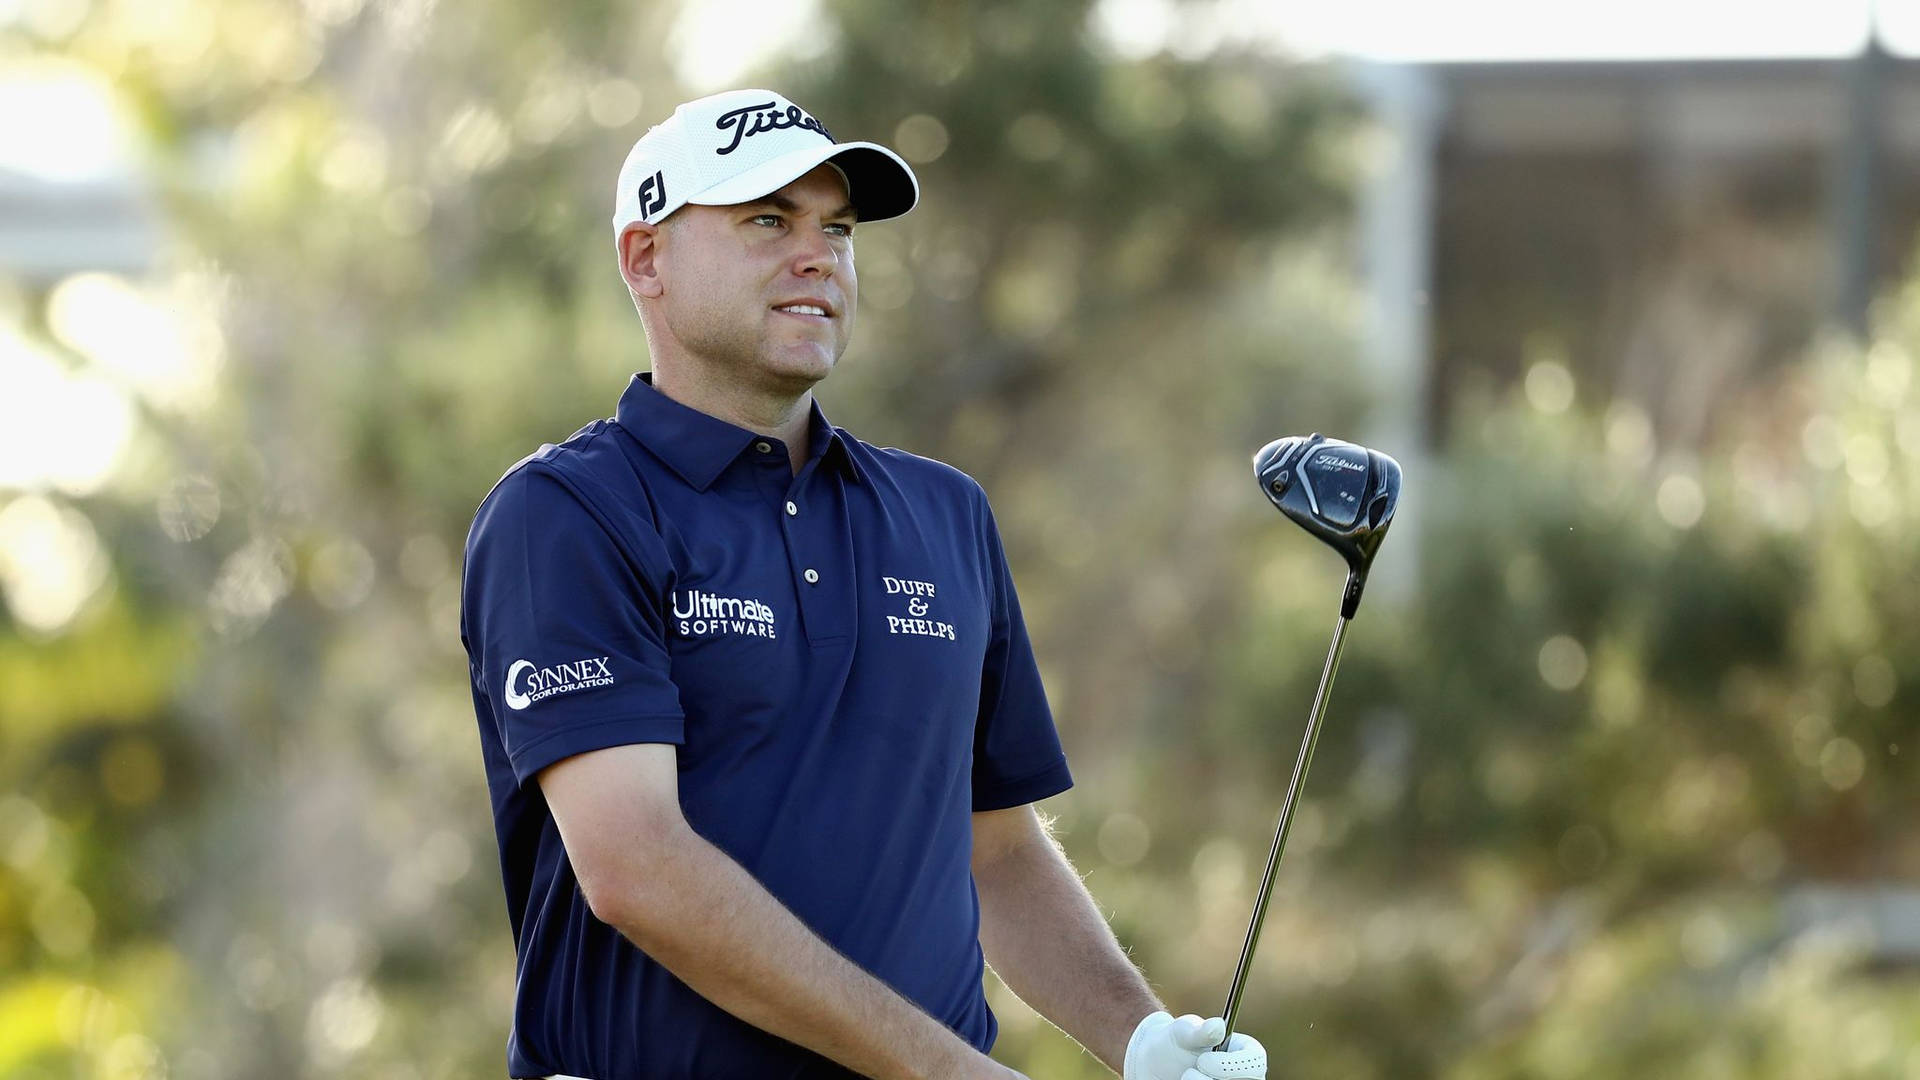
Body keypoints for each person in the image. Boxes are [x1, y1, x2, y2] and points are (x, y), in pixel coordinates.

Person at [460, 88, 1270, 1080]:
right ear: (645, 259)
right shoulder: (567, 514)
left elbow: (1000, 852)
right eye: (767, 220)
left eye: (836, 228)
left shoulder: (945, 515)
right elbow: (636, 868)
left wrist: (1141, 1038)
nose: (818, 255)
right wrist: (947, 1073)